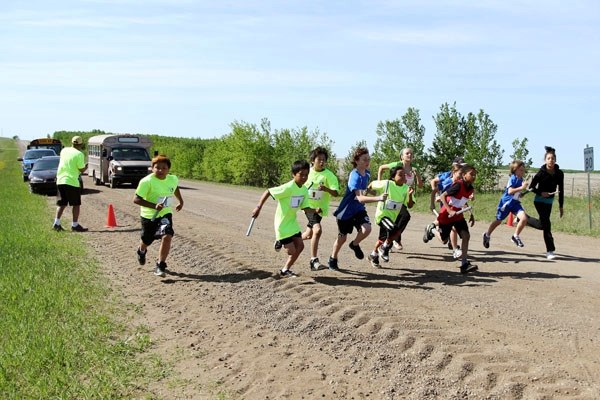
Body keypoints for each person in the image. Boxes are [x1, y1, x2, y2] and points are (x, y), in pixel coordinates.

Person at [252, 160, 317, 277]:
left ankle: (285, 270)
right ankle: (279, 241)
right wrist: (258, 207)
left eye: (306, 175)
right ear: (293, 174)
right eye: (301, 174)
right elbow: (268, 191)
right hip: (282, 225)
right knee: (291, 251)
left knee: (300, 246)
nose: (304, 177)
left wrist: (315, 210)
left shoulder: (304, 190)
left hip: (292, 223)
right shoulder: (287, 187)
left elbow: (305, 207)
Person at [328, 147, 384, 271]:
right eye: (364, 159)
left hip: (358, 210)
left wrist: (372, 191)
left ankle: (355, 244)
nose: (367, 162)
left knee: (367, 229)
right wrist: (378, 198)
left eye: (368, 159)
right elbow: (359, 198)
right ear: (357, 160)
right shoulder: (354, 175)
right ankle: (333, 258)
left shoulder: (367, 174)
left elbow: (364, 189)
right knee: (342, 238)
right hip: (346, 212)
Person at [134, 155, 184, 277]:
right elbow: (136, 199)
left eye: (164, 168)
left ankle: (160, 264)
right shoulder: (146, 181)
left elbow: (175, 187)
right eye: (157, 168)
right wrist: (154, 206)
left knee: (167, 236)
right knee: (147, 239)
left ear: (168, 169)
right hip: (149, 216)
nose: (160, 170)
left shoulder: (172, 179)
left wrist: (181, 201)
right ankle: (141, 251)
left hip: (165, 213)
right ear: (152, 168)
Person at [424, 164, 478, 274]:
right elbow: (443, 196)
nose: (474, 177)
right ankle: (432, 230)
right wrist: (449, 210)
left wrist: (471, 214)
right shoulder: (458, 185)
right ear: (463, 175)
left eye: (475, 175)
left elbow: (463, 201)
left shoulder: (470, 188)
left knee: (466, 236)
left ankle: (464, 264)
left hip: (458, 216)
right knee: (444, 240)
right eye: (471, 174)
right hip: (447, 215)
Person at [366, 166, 414, 268]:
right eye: (400, 175)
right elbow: (371, 184)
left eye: (404, 175)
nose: (403, 176)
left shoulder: (406, 189)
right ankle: (384, 248)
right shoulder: (387, 184)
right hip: (382, 216)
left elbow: (410, 205)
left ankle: (373, 255)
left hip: (392, 218)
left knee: (382, 238)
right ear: (393, 177)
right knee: (395, 230)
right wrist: (366, 194)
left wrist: (409, 195)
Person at [301, 147, 340, 271]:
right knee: (317, 230)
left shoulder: (329, 175)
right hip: (308, 207)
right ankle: (314, 260)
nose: (322, 162)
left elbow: (336, 193)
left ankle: (286, 239)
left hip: (320, 210)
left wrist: (326, 189)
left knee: (308, 235)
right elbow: (299, 186)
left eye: (324, 160)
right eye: (319, 159)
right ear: (313, 160)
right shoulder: (307, 173)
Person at [377, 147, 423, 250]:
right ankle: (393, 239)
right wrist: (380, 183)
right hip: (394, 195)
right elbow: (381, 168)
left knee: (401, 217)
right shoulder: (397, 165)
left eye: (411, 153)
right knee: (404, 215)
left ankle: (391, 240)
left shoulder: (414, 168)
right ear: (401, 156)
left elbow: (420, 186)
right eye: (407, 153)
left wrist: (418, 175)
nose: (410, 155)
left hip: (406, 197)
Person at [527, 146, 564, 260]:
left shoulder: (559, 173)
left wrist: (561, 206)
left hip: (549, 202)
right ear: (545, 160)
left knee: (543, 225)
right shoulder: (541, 173)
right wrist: (540, 192)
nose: (551, 160)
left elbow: (561, 189)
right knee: (547, 224)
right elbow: (531, 187)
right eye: (548, 158)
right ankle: (550, 251)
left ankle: (524, 219)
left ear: (555, 160)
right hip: (539, 201)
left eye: (552, 158)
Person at [482, 160, 529, 249]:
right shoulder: (513, 178)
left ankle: (515, 236)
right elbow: (510, 191)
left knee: (524, 218)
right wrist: (521, 188)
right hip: (506, 203)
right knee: (498, 221)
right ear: (515, 170)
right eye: (521, 170)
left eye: (523, 170)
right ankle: (487, 235)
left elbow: (516, 192)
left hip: (515, 203)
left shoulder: (521, 180)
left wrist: (521, 193)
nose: (523, 172)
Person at [53, 135, 88, 232]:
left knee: (61, 204)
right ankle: (75, 225)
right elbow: (81, 169)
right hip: (71, 181)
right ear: (81, 144)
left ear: (72, 142)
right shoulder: (79, 154)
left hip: (60, 180)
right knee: (76, 204)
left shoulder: (64, 151)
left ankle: (56, 223)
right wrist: (87, 166)